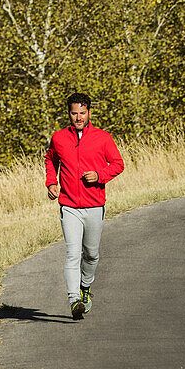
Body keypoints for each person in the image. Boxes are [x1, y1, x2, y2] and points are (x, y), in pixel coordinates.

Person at [45, 92, 124, 320]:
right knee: (72, 253)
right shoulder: (59, 137)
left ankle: (85, 288)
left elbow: (118, 164)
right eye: (74, 113)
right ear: (68, 113)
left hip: (94, 205)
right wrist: (51, 182)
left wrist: (100, 175)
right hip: (69, 205)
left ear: (89, 113)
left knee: (91, 255)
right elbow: (51, 159)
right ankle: (74, 300)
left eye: (82, 113)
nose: (78, 117)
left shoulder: (103, 138)